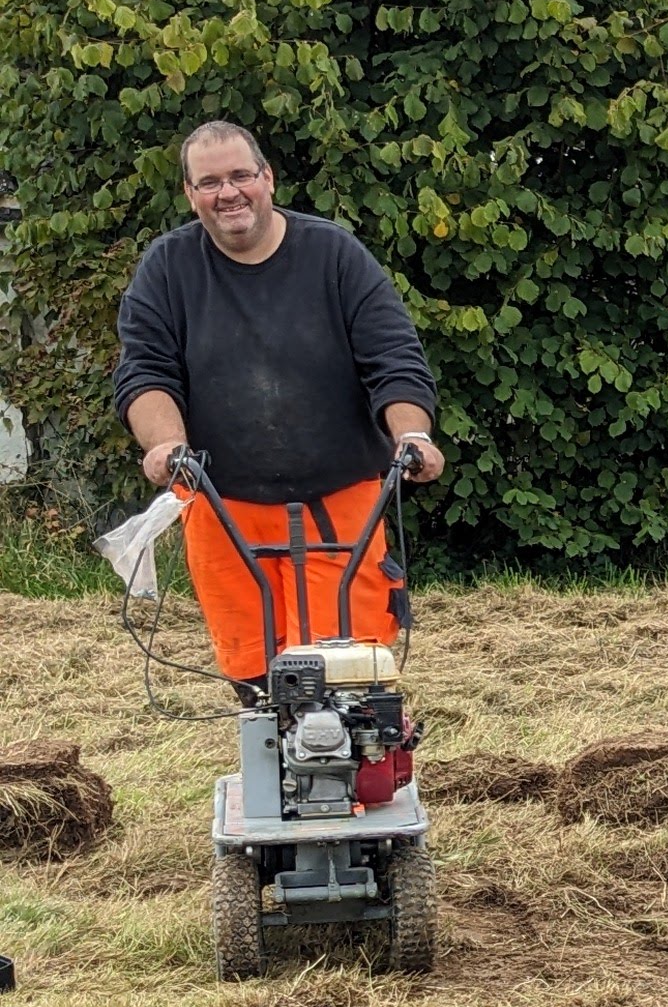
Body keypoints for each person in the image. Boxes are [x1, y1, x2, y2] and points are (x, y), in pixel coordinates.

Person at [114, 120, 444, 689]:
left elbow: (394, 358)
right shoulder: (168, 268)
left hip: (340, 498)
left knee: (347, 671)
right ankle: (266, 740)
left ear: (267, 178)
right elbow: (145, 371)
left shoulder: (332, 254)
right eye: (210, 182)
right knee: (252, 672)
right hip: (222, 500)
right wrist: (165, 445)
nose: (228, 193)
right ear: (191, 195)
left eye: (241, 175)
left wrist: (412, 435)